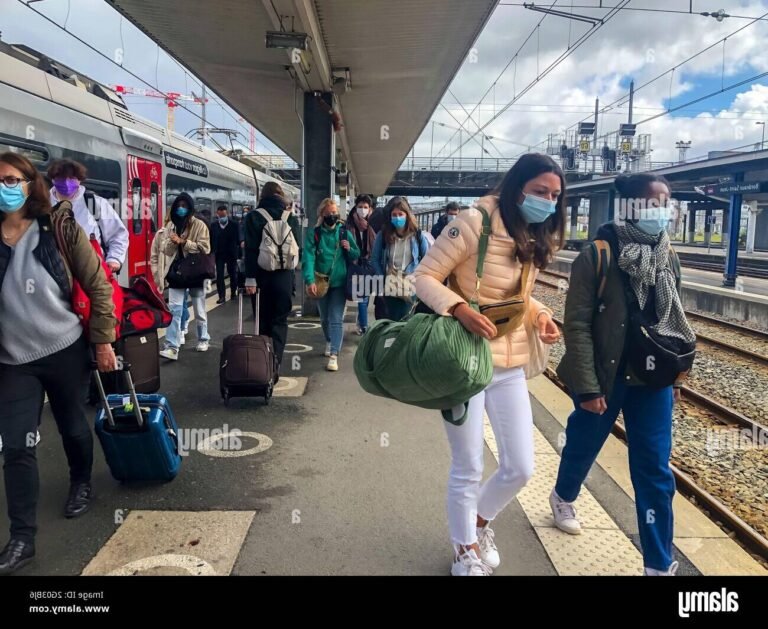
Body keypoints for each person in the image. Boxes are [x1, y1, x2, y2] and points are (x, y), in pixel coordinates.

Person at [414, 153, 563, 576]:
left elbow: (517, 296)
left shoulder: (530, 233)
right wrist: (459, 308)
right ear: (518, 188)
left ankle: (478, 526)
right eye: (540, 192)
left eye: (554, 195)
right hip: (464, 361)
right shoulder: (473, 222)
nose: (548, 202)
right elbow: (424, 277)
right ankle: (463, 550)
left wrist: (540, 317)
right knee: (469, 464)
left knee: (520, 467)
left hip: (509, 364)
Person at [553, 173, 693, 576]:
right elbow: (576, 325)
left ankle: (658, 564)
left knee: (653, 469)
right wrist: (587, 386)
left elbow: (678, 324)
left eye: (667, 201)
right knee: (583, 443)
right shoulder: (598, 255)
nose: (663, 210)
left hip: (654, 381)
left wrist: (678, 377)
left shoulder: (669, 257)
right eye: (654, 202)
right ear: (631, 207)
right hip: (606, 376)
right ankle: (563, 495)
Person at [0, 152, 118, 574]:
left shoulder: (59, 228)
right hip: (13, 360)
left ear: (31, 184)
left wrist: (103, 341)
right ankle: (22, 538)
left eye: (13, 179)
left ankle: (81, 483)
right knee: (16, 444)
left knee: (70, 423)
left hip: (64, 348)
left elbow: (98, 283)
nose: (5, 187)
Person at [243, 182, 300, 369]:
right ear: (281, 195)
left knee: (262, 322)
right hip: (284, 278)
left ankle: (263, 365)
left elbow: (250, 251)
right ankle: (275, 365)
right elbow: (298, 247)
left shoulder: (252, 217)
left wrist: (249, 279)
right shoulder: (290, 218)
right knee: (280, 322)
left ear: (262, 196)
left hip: (260, 277)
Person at [302, 198, 360, 371]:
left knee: (335, 318)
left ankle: (334, 354)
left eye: (335, 213)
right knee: (324, 318)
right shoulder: (315, 234)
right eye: (329, 214)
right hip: (320, 282)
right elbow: (309, 257)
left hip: (339, 282)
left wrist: (349, 248)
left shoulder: (344, 233)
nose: (332, 216)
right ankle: (329, 340)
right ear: (322, 215)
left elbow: (356, 253)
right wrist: (309, 279)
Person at [47, 159, 129, 275]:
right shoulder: (42, 204)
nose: (66, 182)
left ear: (80, 180)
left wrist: (114, 259)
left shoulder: (95, 203)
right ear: (53, 179)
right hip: (52, 275)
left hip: (90, 275)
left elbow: (118, 235)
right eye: (61, 178)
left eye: (72, 178)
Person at [158, 193, 211, 360]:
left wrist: (184, 242)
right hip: (177, 272)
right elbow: (165, 250)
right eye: (178, 206)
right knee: (174, 309)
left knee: (199, 308)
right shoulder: (171, 226)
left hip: (196, 271)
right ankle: (172, 346)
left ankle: (203, 338)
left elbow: (205, 248)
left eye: (184, 206)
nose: (181, 209)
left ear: (189, 208)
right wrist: (172, 243)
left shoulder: (199, 225)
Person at [371, 196, 431, 322]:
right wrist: (382, 279)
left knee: (406, 321)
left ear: (407, 215)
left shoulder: (418, 236)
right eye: (394, 214)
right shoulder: (383, 235)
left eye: (400, 214)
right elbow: (375, 259)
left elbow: (427, 260)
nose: (397, 217)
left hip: (410, 286)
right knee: (390, 320)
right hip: (390, 284)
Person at [150, 220, 190, 345]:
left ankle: (180, 331)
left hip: (182, 274)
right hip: (168, 274)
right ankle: (173, 342)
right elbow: (155, 255)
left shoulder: (186, 233)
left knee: (179, 305)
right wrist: (157, 275)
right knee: (175, 306)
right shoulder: (161, 234)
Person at [345, 194, 376, 334]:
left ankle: (360, 322)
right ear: (355, 207)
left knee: (366, 295)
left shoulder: (374, 223)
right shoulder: (349, 223)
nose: (362, 210)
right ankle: (364, 327)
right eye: (360, 207)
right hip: (355, 263)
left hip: (369, 263)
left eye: (365, 207)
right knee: (362, 298)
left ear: (370, 209)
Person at [211, 205, 239, 304]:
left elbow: (238, 239)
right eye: (220, 215)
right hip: (219, 254)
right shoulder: (213, 225)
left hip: (231, 253)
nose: (222, 217)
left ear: (227, 214)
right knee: (219, 275)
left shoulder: (234, 225)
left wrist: (239, 253)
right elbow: (211, 239)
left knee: (233, 274)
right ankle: (221, 296)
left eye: (224, 215)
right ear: (217, 214)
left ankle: (233, 293)